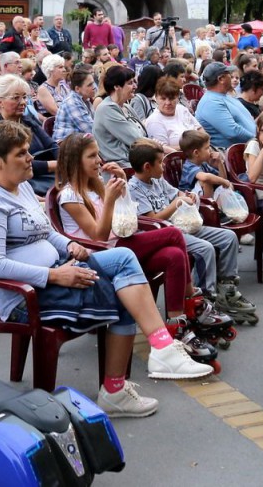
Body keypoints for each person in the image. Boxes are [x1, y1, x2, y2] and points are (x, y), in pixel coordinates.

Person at [0, 120, 212, 419]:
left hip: (57, 270)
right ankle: (119, 387)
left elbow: (47, 232)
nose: (31, 158)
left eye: (28, 151)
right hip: (25, 295)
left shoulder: (22, 187)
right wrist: (55, 275)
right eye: (21, 153)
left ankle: (160, 349)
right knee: (124, 292)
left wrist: (69, 245)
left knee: (124, 261)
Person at [56, 134, 220, 360]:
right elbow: (99, 236)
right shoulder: (69, 196)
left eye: (98, 155)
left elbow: (124, 218)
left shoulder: (97, 186)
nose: (99, 161)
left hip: (122, 244)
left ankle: (177, 324)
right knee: (173, 233)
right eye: (92, 156)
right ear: (76, 161)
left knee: (173, 255)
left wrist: (122, 185)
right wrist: (110, 199)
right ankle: (193, 299)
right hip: (101, 255)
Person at [127, 139, 254, 323]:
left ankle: (227, 288)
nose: (163, 166)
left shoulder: (157, 180)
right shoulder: (134, 189)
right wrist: (176, 203)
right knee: (205, 249)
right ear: (147, 167)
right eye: (160, 163)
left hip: (183, 225)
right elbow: (154, 220)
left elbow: (176, 193)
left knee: (229, 237)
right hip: (166, 235)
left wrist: (187, 196)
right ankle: (204, 298)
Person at [0, 74, 58, 196]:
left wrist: (64, 161)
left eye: (24, 97)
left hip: (51, 175)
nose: (23, 102)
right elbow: (17, 163)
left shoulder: (28, 121)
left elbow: (52, 144)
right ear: (0, 102)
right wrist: (56, 165)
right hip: (26, 183)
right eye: (16, 98)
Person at [93, 65, 148, 168]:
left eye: (134, 82)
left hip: (137, 161)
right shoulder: (106, 109)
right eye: (130, 83)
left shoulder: (127, 107)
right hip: (121, 167)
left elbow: (144, 135)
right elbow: (137, 139)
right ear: (116, 87)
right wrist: (163, 147)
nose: (135, 86)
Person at [194, 62, 257, 150]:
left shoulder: (224, 96)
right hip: (237, 152)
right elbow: (233, 132)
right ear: (221, 79)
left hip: (250, 146)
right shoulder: (210, 103)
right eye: (229, 74)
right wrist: (257, 140)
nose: (231, 77)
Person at [144, 77, 202, 150]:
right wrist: (192, 147)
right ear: (156, 98)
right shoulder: (154, 121)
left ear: (177, 97)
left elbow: (199, 128)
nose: (168, 103)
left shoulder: (182, 109)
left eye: (171, 98)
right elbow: (163, 150)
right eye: (163, 98)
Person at [53, 66, 97, 142]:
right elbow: (91, 130)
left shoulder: (85, 99)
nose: (94, 87)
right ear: (77, 89)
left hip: (78, 142)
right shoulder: (72, 102)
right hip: (65, 145)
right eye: (89, 85)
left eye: (93, 83)